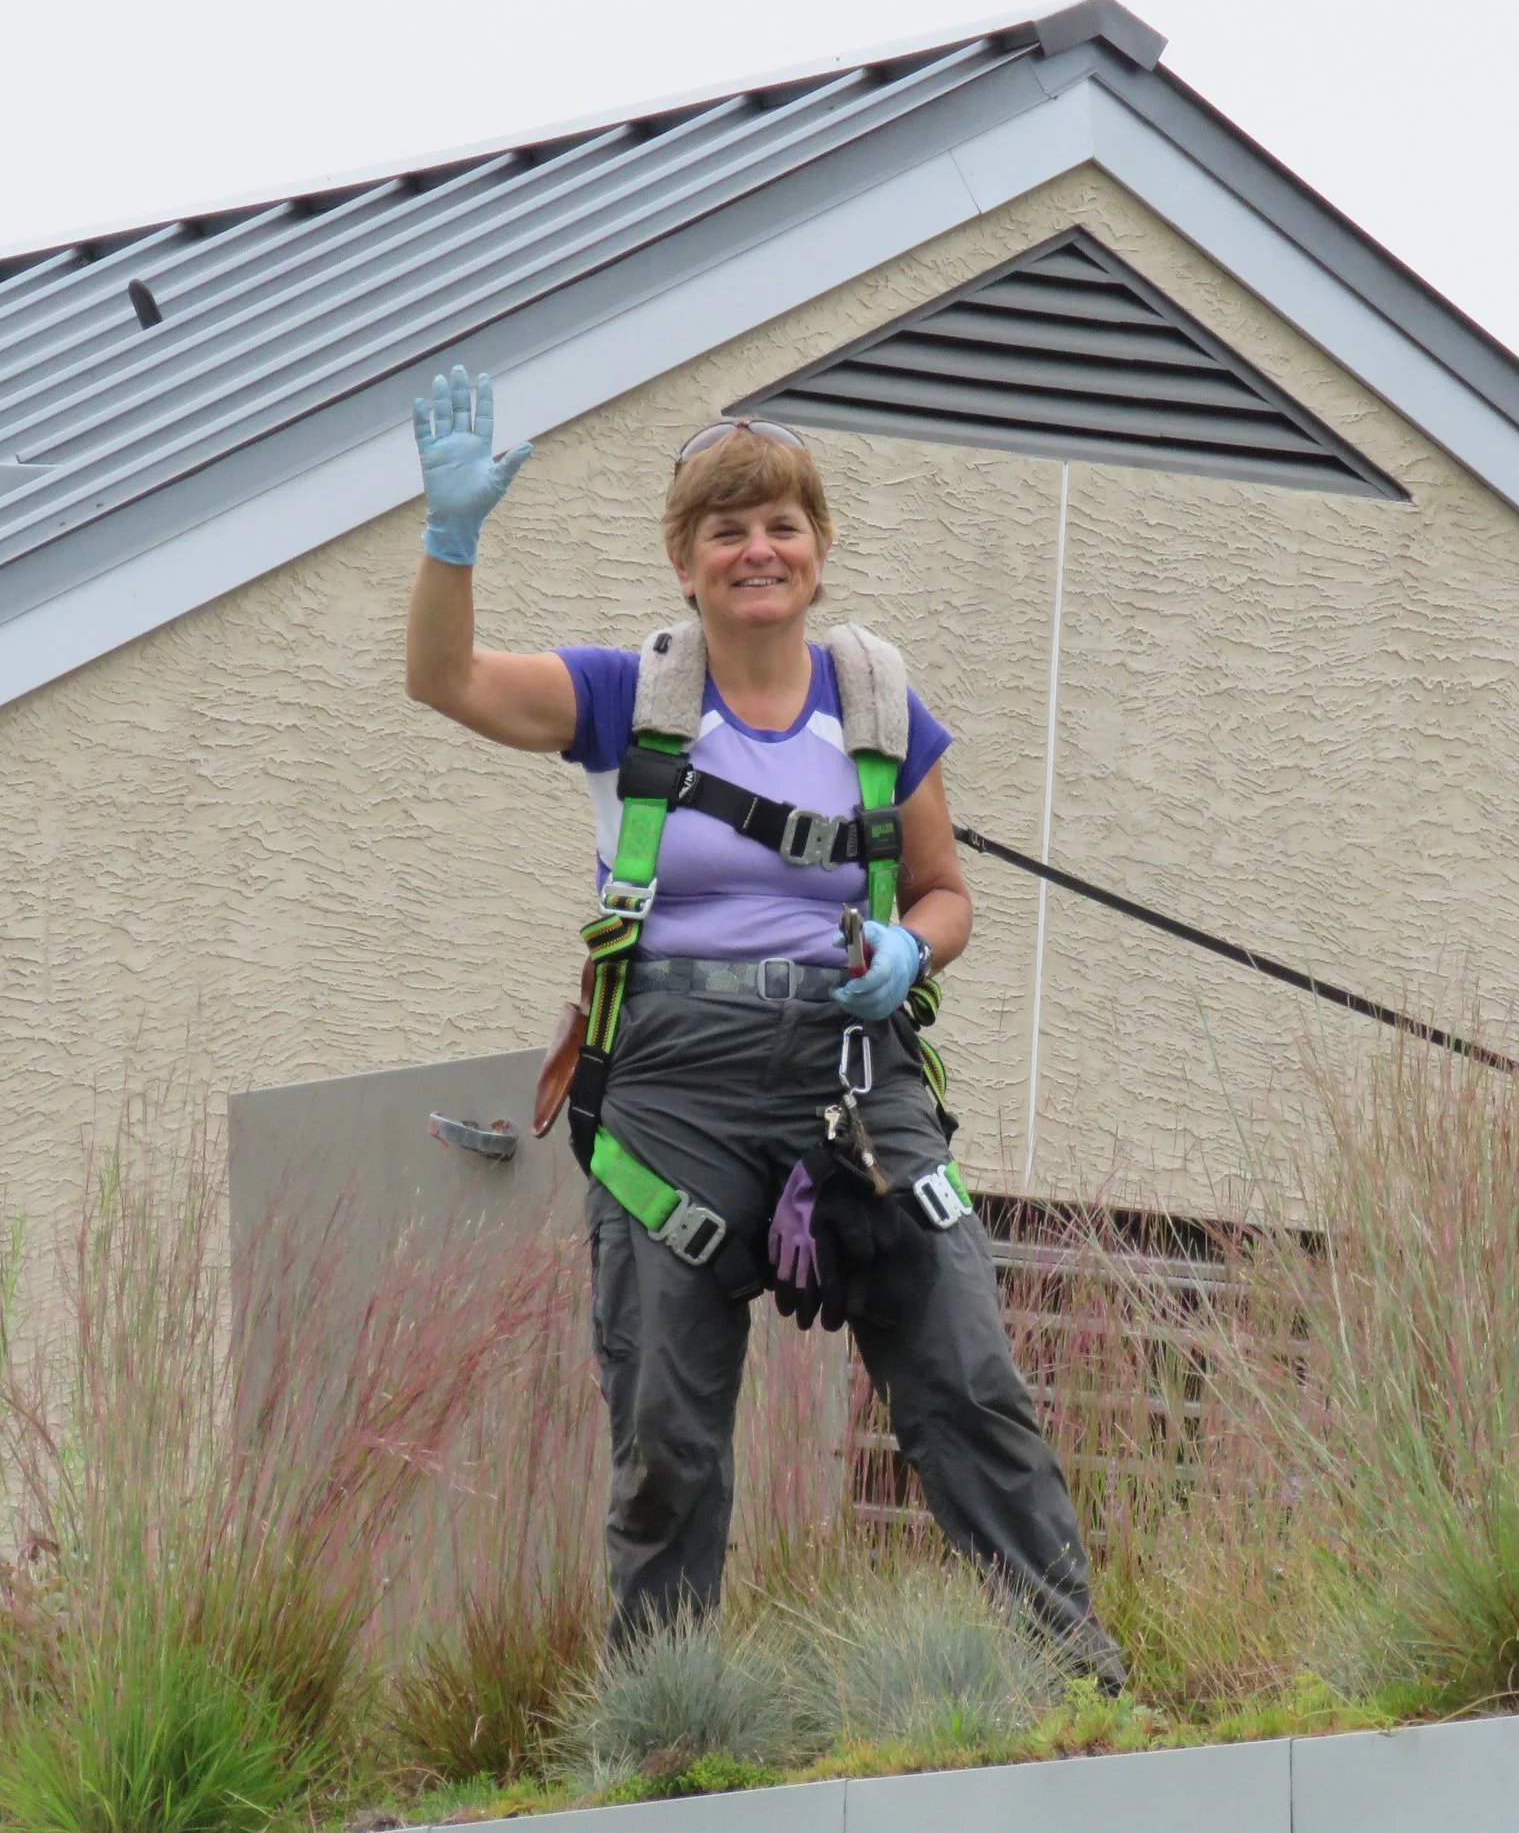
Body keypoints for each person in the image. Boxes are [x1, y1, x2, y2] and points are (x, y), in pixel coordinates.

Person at [402, 366, 1123, 1686]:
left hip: (857, 1073)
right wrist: (452, 541)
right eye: (725, 529)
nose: (757, 549)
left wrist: (911, 944)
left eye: (782, 524)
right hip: (677, 1091)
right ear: (683, 563)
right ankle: (666, 1726)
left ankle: (1074, 1682)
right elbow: (443, 678)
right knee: (669, 1430)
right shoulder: (630, 700)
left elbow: (949, 895)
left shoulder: (881, 710)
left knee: (967, 1379)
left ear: (821, 548)